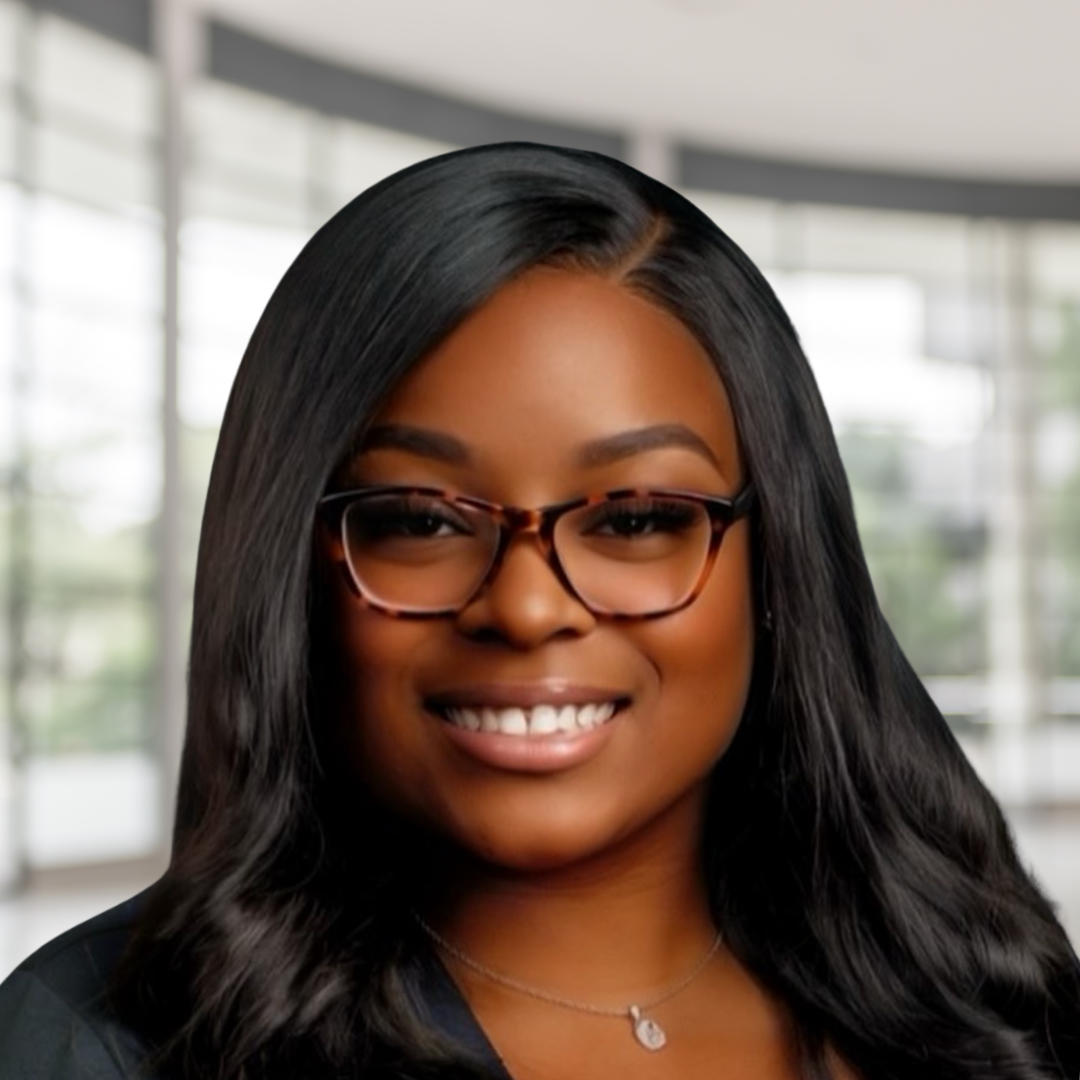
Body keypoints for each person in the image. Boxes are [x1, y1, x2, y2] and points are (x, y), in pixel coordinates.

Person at [1, 142, 1077, 1080]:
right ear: (295, 564)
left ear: (780, 561)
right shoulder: (99, 1046)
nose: (524, 608)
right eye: (418, 522)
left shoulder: (991, 1004)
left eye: (639, 517)